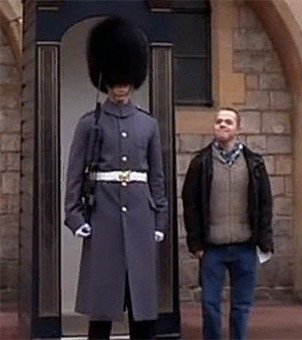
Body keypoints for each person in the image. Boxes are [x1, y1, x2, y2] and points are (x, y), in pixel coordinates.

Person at [64, 17, 168, 339]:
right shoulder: (89, 123)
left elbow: (157, 177)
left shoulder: (147, 125)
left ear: (133, 81)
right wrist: (75, 216)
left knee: (141, 302)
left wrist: (159, 220)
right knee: (103, 304)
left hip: (140, 215)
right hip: (104, 215)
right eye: (115, 82)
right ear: (106, 81)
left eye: (125, 82)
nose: (121, 87)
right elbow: (75, 174)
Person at [181, 107, 273, 339]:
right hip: (212, 248)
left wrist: (264, 241)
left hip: (245, 246)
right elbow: (190, 204)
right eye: (219, 121)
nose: (222, 125)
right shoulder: (200, 163)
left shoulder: (255, 163)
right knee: (210, 305)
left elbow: (265, 204)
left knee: (241, 307)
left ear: (237, 128)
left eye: (228, 122)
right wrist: (196, 243)